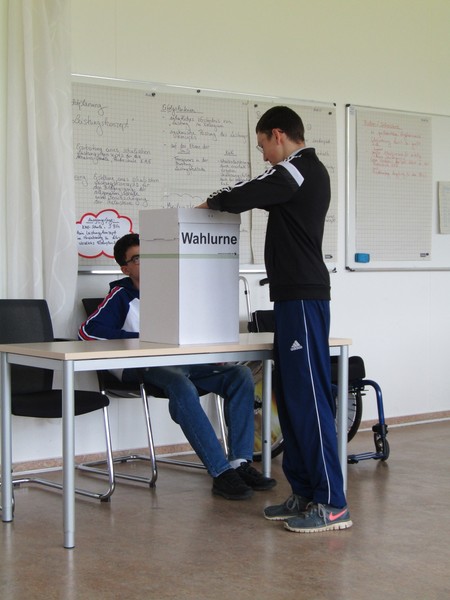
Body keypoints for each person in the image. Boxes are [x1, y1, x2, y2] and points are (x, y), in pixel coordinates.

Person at [197, 106, 352, 532]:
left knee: (309, 401)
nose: (264, 154)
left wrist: (209, 203)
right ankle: (303, 492)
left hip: (303, 300)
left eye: (264, 144)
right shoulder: (293, 179)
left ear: (279, 135)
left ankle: (332, 504)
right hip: (289, 300)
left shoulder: (300, 169)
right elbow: (262, 192)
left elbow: (250, 189)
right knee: (290, 398)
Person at [79, 233, 276, 501]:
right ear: (125, 268)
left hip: (185, 363)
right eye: (137, 258)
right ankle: (220, 473)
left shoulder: (174, 291)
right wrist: (141, 339)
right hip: (144, 367)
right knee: (180, 385)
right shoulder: (121, 295)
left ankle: (239, 464)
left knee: (239, 375)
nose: (146, 263)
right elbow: (87, 332)